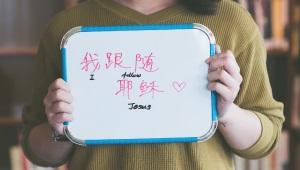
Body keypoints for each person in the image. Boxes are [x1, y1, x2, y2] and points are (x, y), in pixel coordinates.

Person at [21, 0, 285, 169]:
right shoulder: (65, 29)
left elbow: (266, 137)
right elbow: (38, 152)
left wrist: (226, 112)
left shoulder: (232, 21)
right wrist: (59, 128)